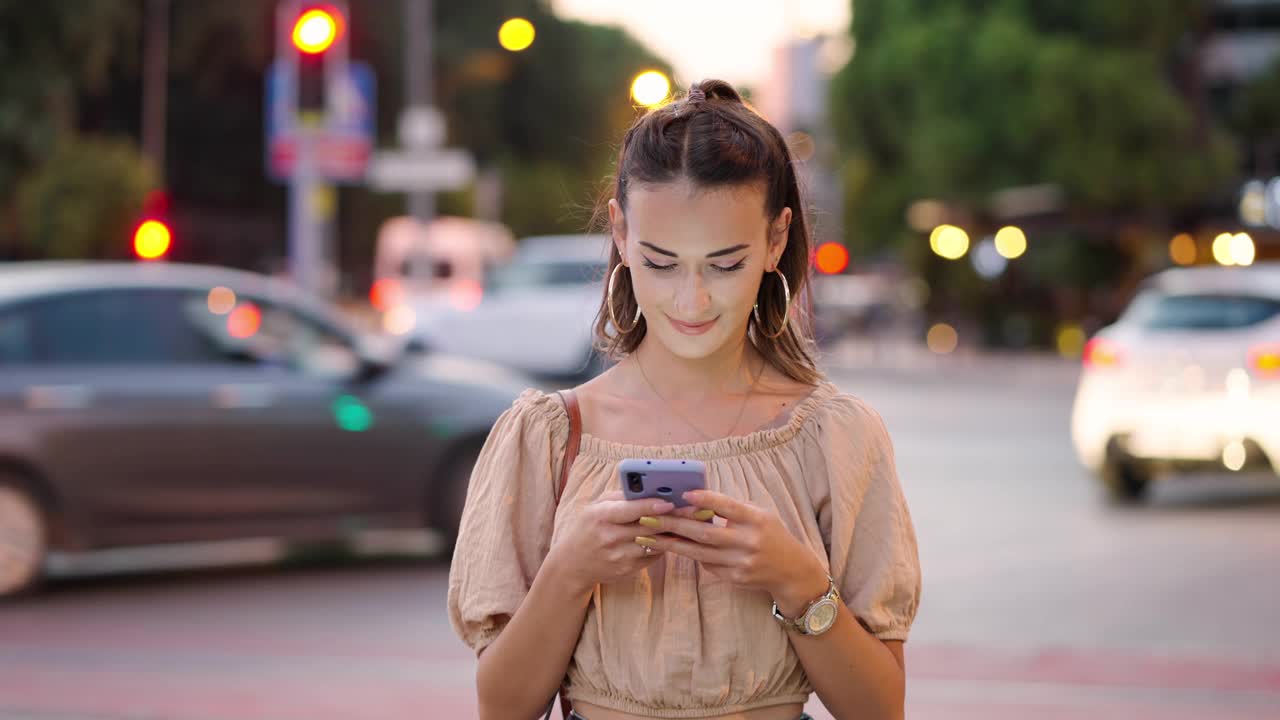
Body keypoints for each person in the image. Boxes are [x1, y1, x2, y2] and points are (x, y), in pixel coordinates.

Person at [448, 79, 921, 720]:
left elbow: (880, 709)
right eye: (661, 262)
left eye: (724, 264)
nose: (691, 301)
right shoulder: (551, 435)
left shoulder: (835, 435)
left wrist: (797, 580)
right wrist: (570, 571)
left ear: (777, 240)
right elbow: (501, 708)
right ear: (619, 232)